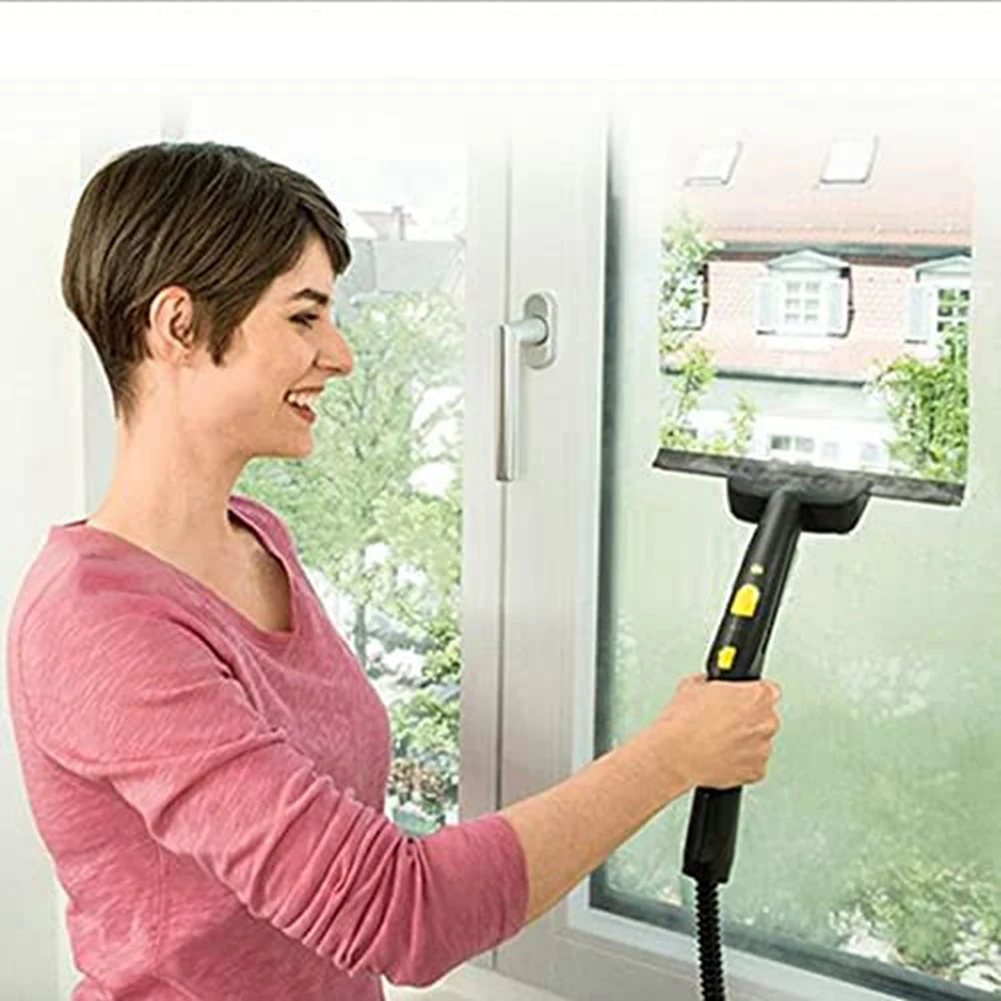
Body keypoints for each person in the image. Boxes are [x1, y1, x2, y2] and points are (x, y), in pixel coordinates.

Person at [6, 142, 781, 1001]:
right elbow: (396, 911)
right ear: (178, 326)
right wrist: (672, 755)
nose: (340, 354)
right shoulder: (95, 627)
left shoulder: (256, 536)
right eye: (304, 317)